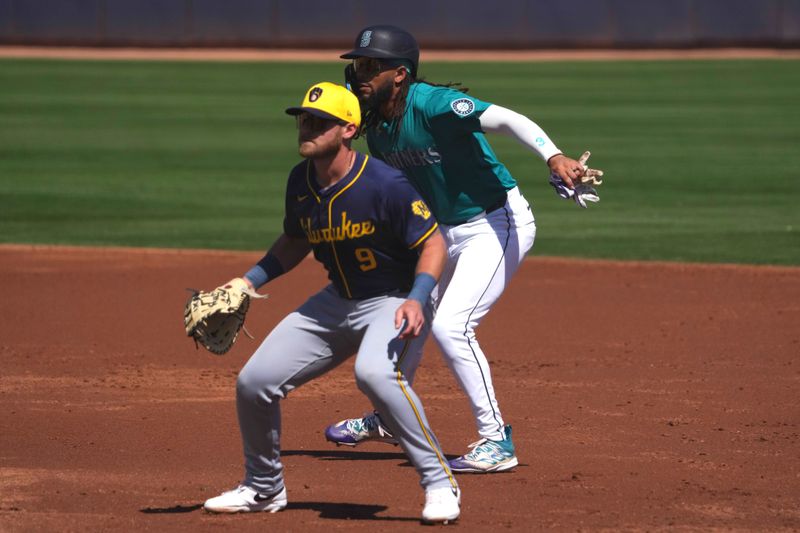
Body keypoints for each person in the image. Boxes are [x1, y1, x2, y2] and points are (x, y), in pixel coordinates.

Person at [324, 25, 601, 474]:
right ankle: (391, 417)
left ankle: (497, 442)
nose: (359, 75)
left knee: (453, 327)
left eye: (370, 67)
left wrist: (553, 157)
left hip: (495, 221)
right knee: (405, 315)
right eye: (357, 65)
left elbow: (509, 119)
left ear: (399, 75)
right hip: (440, 233)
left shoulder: (433, 104)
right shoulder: (378, 130)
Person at [202, 81, 461, 524]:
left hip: (393, 299)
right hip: (336, 301)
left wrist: (419, 299)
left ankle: (439, 483)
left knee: (375, 374)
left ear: (348, 129)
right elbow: (295, 240)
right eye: (304, 119)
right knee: (254, 383)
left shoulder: (384, 184)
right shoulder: (300, 181)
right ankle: (264, 489)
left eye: (319, 121)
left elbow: (433, 243)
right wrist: (248, 281)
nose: (307, 126)